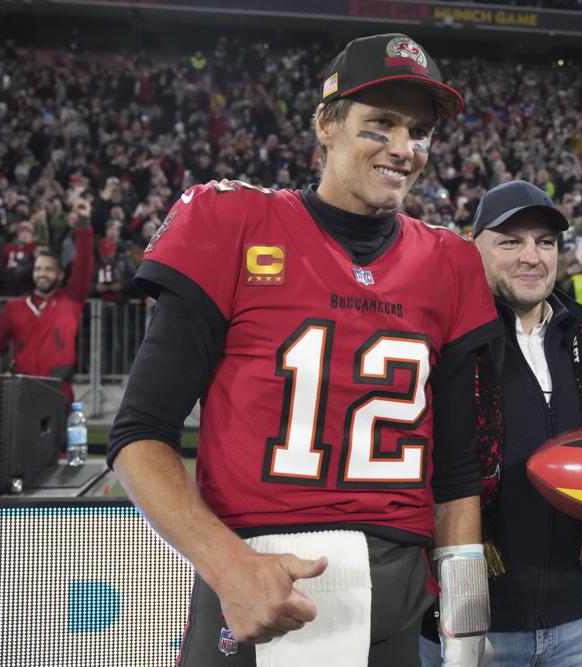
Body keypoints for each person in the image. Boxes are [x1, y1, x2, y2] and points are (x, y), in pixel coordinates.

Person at [106, 34, 501, 667]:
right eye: (381, 124)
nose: (404, 148)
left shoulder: (449, 260)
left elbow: (456, 473)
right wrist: (228, 565)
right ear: (327, 123)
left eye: (419, 131)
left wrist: (467, 628)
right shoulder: (232, 221)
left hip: (393, 599)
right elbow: (138, 434)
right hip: (253, 585)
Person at [419, 181, 582, 666]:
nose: (532, 256)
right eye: (510, 241)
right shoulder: (445, 341)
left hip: (579, 622)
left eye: (545, 242)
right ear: (472, 247)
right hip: (467, 624)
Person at [0, 200, 93, 403]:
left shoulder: (71, 301)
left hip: (59, 388)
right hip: (23, 388)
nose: (42, 274)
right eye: (38, 269)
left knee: (59, 436)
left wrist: (83, 224)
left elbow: (84, 265)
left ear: (59, 275)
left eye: (48, 269)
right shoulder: (14, 307)